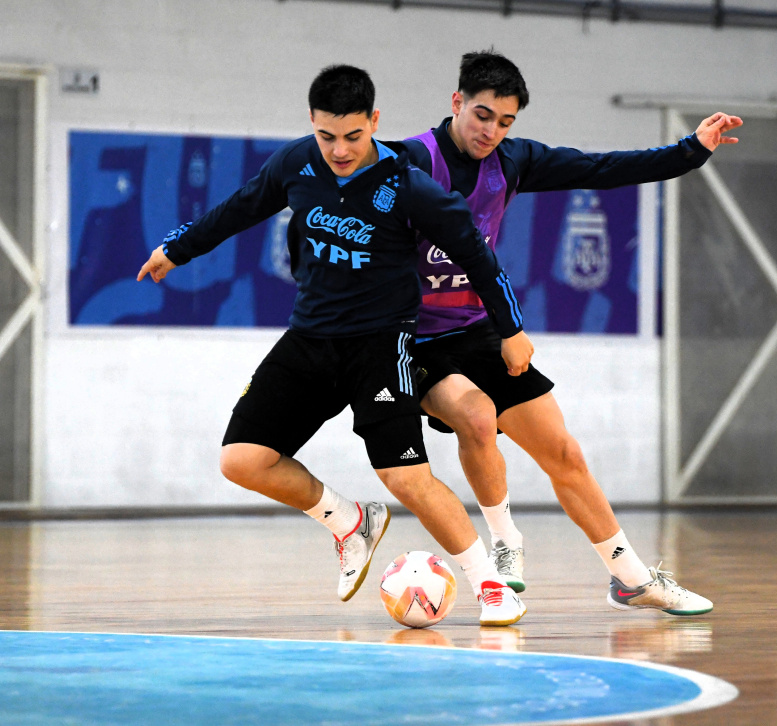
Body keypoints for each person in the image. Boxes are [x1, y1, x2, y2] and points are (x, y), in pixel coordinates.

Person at [136, 64, 531, 626]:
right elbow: (240, 207)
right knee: (242, 461)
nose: (339, 150)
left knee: (405, 477)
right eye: (327, 136)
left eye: (352, 135)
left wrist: (511, 330)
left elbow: (477, 255)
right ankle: (348, 522)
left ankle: (489, 586)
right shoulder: (296, 163)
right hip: (310, 339)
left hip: (380, 346)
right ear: (312, 125)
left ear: (374, 121)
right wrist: (179, 248)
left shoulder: (408, 186)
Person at [400, 50, 743, 615]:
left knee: (564, 452)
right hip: (416, 341)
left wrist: (691, 151)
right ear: (456, 103)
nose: (492, 131)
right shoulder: (410, 160)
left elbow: (602, 168)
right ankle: (506, 540)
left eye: (506, 122)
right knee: (477, 416)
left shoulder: (511, 163)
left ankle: (631, 578)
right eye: (483, 115)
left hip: (480, 325)